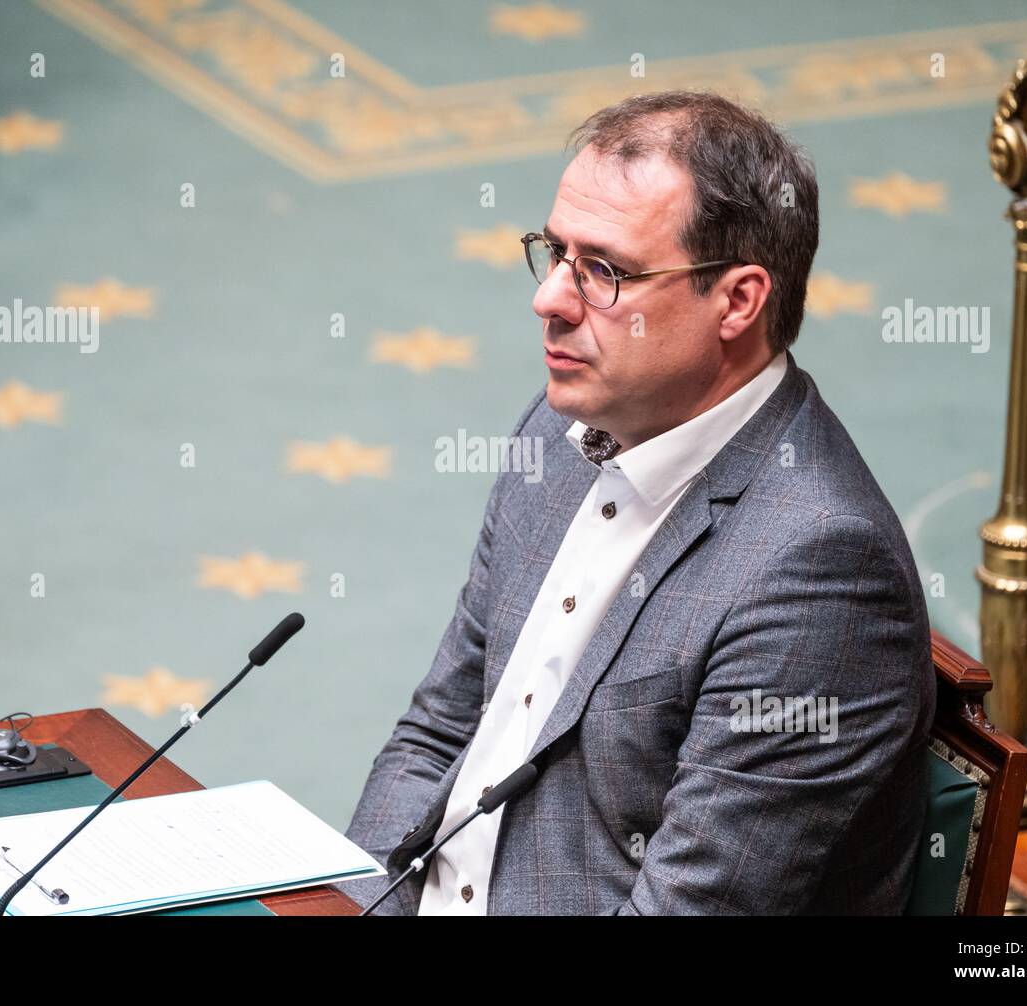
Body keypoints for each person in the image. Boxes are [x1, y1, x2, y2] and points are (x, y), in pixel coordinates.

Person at [337, 90, 935, 915]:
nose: (549, 300)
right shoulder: (560, 435)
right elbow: (438, 735)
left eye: (605, 272)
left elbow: (691, 907)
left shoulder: (819, 572)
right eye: (555, 253)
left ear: (737, 301)